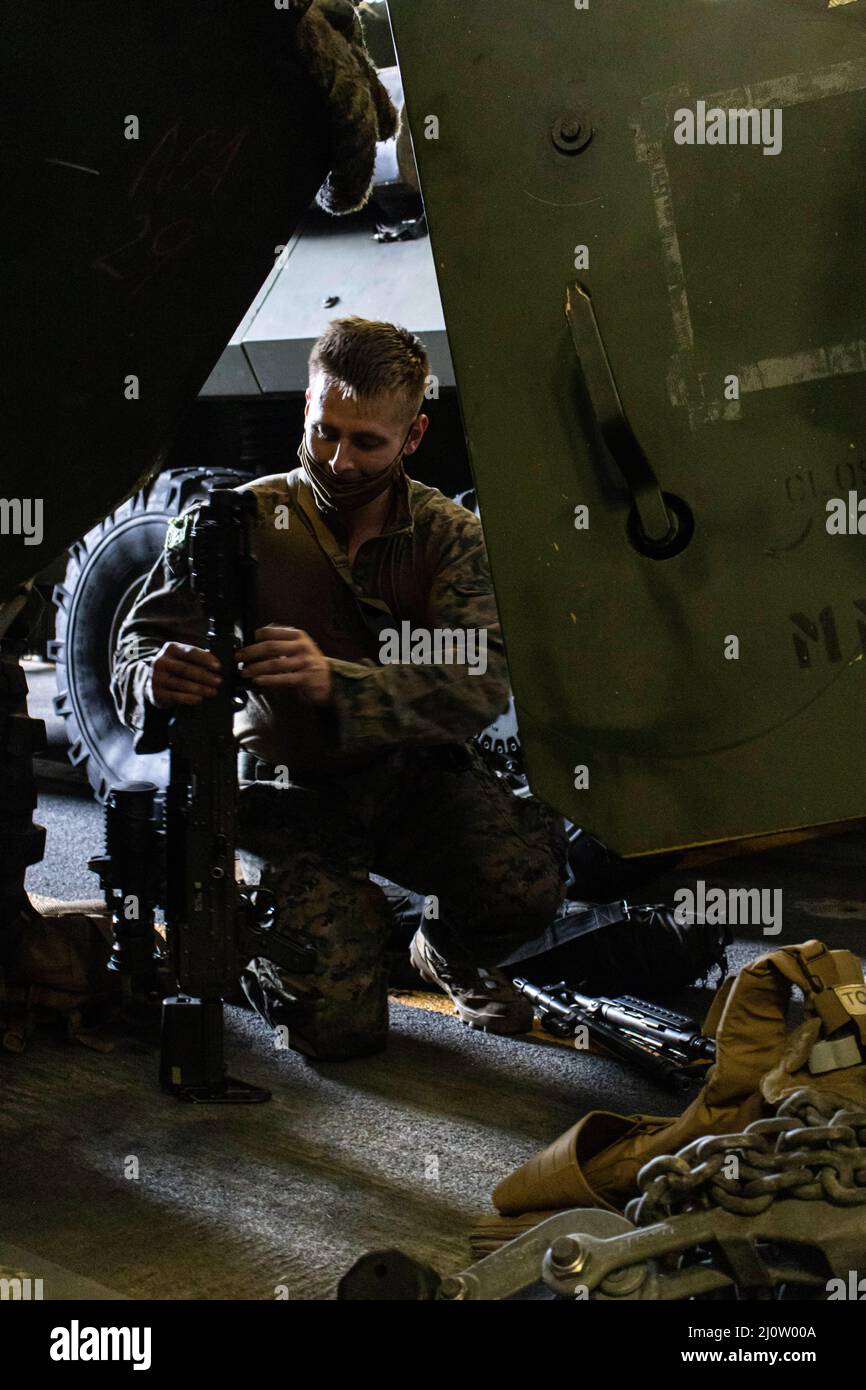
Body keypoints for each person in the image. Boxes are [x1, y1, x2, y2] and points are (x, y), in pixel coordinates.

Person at [111, 316, 568, 1060]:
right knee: (341, 1032)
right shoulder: (233, 524)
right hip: (285, 796)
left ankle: (441, 951)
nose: (339, 460)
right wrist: (152, 678)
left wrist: (339, 684)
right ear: (305, 408)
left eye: (367, 442)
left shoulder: (447, 538)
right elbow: (137, 644)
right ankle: (278, 943)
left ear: (413, 437)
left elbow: (478, 684)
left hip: (407, 777)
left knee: (525, 881)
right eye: (325, 432)